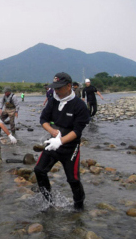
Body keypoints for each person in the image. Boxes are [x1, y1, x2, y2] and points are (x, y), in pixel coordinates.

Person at [34, 72, 90, 211]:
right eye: (54, 88)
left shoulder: (79, 105)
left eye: (59, 88)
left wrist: (61, 141)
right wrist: (53, 132)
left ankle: (79, 207)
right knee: (39, 170)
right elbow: (43, 120)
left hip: (70, 147)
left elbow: (77, 131)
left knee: (73, 179)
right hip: (53, 144)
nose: (56, 91)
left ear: (69, 86)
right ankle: (48, 202)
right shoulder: (53, 100)